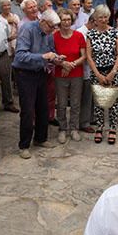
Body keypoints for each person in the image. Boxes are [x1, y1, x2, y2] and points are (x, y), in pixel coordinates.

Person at [12, 9, 61, 159]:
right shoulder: (27, 29)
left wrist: (56, 58)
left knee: (43, 107)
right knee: (27, 109)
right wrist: (43, 56)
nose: (53, 30)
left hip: (41, 71)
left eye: (54, 28)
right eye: (51, 27)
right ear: (43, 21)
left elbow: (51, 51)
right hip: (25, 73)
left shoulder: (48, 34)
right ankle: (24, 145)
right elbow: (20, 55)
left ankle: (41, 138)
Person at [85, 5, 118, 145]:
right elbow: (89, 56)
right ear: (95, 19)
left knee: (113, 101)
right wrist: (98, 74)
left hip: (113, 71)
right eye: (100, 17)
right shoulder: (90, 34)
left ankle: (112, 128)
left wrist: (113, 72)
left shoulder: (115, 32)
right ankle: (99, 127)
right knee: (99, 102)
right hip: (97, 72)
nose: (103, 19)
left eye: (105, 17)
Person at [53, 8, 87, 142]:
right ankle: (62, 129)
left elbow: (83, 56)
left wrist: (71, 64)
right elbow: (52, 55)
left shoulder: (78, 36)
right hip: (60, 74)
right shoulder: (54, 36)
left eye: (68, 20)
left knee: (75, 103)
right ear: (59, 21)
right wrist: (63, 65)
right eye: (63, 20)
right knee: (61, 103)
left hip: (76, 73)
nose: (66, 22)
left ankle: (74, 128)